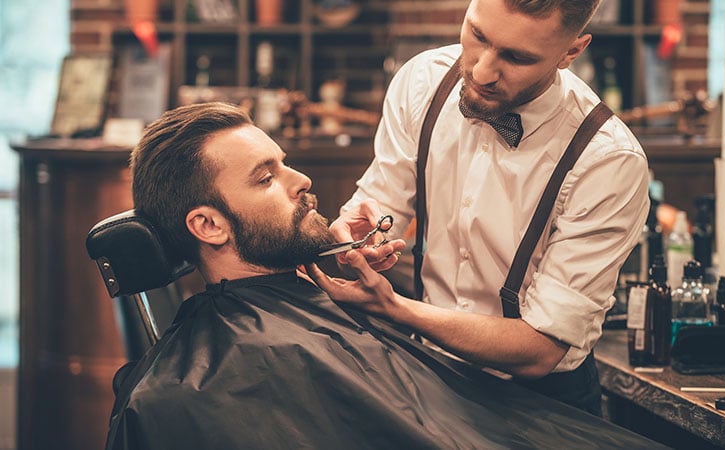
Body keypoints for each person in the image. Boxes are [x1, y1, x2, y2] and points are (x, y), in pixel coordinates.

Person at [104, 102, 663, 449]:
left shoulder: (311, 308)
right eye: (265, 179)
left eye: (284, 161)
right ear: (207, 225)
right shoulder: (197, 390)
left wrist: (386, 303)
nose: (300, 180)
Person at [317, 0, 651, 415]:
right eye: (477, 35)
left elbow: (540, 348)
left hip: (541, 406)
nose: (480, 72)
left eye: (516, 57)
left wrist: (395, 309)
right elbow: (383, 198)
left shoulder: (607, 160)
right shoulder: (423, 82)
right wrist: (364, 233)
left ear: (572, 52)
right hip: (428, 376)